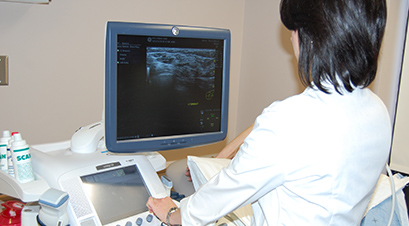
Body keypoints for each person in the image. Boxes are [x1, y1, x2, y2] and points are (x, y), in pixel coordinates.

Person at [147, 0, 391, 225]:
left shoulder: (290, 123)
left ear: (313, 37)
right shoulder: (377, 112)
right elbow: (288, 134)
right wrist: (226, 152)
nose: (293, 39)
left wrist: (172, 213)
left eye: (294, 30)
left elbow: (221, 196)